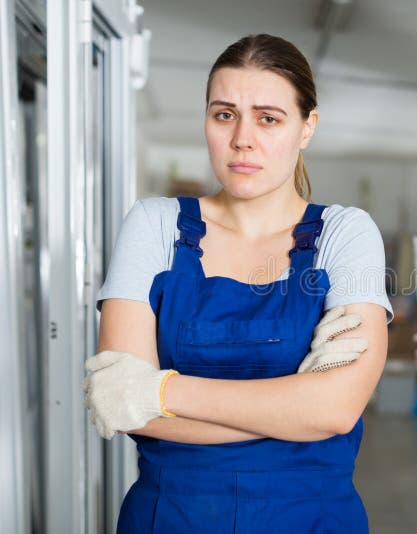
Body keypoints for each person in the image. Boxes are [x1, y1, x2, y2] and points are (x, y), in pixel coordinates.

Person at [83, 34, 393, 533]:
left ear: (306, 127)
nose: (242, 138)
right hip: (172, 517)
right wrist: (294, 410)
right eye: (224, 114)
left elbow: (336, 409)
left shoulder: (345, 233)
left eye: (268, 118)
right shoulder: (154, 225)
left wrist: (159, 389)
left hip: (311, 518)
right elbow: (125, 406)